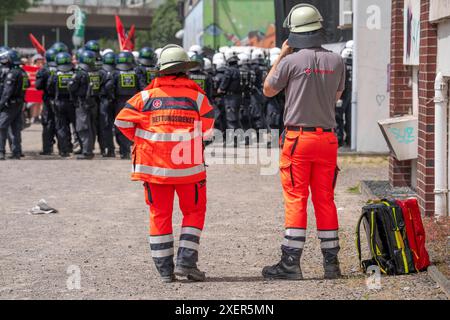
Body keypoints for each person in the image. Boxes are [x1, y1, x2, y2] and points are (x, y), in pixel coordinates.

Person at [115, 44, 214, 283]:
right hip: (189, 170)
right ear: (185, 71)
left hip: (154, 169)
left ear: (161, 71)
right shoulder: (198, 98)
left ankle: (165, 271)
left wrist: (146, 140)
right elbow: (208, 131)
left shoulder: (145, 98)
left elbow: (122, 122)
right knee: (193, 211)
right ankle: (186, 263)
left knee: (159, 214)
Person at [262, 3, 345, 280]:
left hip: (299, 139)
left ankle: (290, 263)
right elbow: (335, 97)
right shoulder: (337, 61)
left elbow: (268, 89)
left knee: (297, 199)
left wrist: (282, 54)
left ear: (295, 33)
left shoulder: (290, 61)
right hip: (328, 139)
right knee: (325, 200)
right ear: (319, 29)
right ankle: (331, 265)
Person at [68, 50, 100, 160]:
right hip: (93, 102)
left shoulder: (80, 73)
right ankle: (88, 149)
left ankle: (87, 152)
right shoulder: (96, 71)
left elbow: (71, 87)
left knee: (83, 128)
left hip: (82, 103)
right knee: (91, 127)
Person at [46, 52, 76, 157]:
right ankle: (78, 148)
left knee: (61, 127)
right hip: (73, 103)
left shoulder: (54, 75)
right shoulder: (74, 73)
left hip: (58, 103)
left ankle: (64, 150)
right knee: (76, 127)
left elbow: (49, 88)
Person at [0, 50, 28, 160]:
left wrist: (1, 104)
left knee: (1, 127)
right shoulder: (22, 72)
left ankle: (1, 151)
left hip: (9, 105)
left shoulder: (13, 73)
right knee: (16, 128)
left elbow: (7, 91)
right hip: (19, 103)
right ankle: (17, 152)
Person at [111, 51, 139, 159]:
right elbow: (141, 87)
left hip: (119, 103)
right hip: (134, 102)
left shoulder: (115, 73)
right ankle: (130, 148)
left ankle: (124, 150)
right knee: (133, 126)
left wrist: (111, 99)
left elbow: (110, 87)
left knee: (120, 126)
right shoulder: (136, 72)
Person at [35, 48, 58, 155]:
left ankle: (47, 149)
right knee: (61, 124)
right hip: (62, 99)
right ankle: (64, 149)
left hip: (48, 100)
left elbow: (38, 86)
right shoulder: (65, 68)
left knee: (47, 123)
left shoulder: (44, 70)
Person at [98, 51, 116, 157]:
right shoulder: (117, 71)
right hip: (116, 101)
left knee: (105, 126)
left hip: (104, 101)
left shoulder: (101, 72)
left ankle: (108, 149)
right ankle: (115, 149)